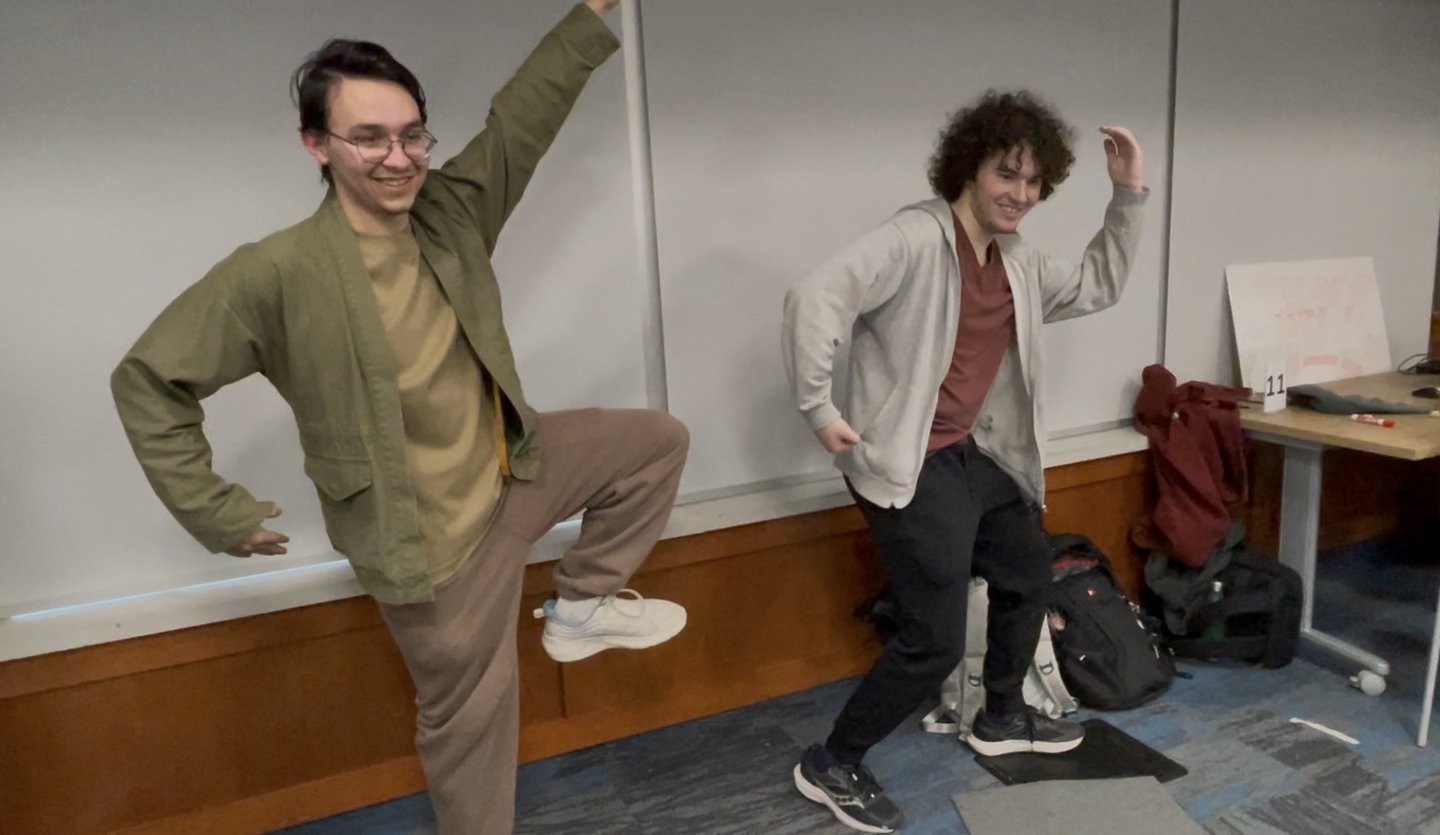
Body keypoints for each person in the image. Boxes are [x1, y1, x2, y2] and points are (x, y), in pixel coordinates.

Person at [109, 3, 688, 832]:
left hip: (510, 472)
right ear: (316, 145)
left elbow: (523, 117)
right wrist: (214, 510)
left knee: (654, 444)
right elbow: (148, 379)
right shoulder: (275, 273)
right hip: (433, 553)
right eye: (369, 138)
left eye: (413, 135)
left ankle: (581, 605)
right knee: (472, 732)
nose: (399, 157)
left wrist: (594, 11)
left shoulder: (449, 214)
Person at [781, 89, 1146, 833]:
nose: (1020, 193)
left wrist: (1127, 195)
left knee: (1028, 571)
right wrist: (819, 408)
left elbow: (1097, 284)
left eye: (1033, 181)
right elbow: (815, 295)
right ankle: (832, 760)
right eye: (1006, 174)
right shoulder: (914, 240)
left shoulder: (1015, 259)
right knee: (934, 638)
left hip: (969, 454)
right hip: (907, 462)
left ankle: (1001, 714)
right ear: (968, 169)